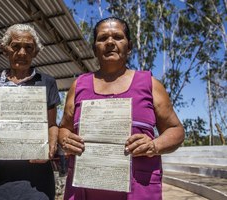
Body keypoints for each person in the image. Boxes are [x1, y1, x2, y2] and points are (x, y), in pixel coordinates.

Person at [58, 17, 185, 200]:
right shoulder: (79, 85)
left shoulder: (150, 84)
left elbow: (176, 130)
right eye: (102, 38)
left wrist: (154, 145)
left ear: (129, 46)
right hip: (84, 190)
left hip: (138, 190)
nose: (110, 42)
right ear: (95, 49)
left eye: (117, 37)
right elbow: (64, 128)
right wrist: (66, 140)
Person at [0, 24, 60, 200]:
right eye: (15, 46)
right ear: (5, 49)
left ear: (35, 52)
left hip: (35, 173)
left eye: (28, 47)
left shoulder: (47, 83)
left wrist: (51, 148)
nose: (22, 52)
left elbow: (52, 125)